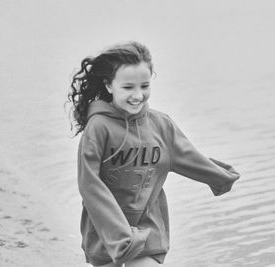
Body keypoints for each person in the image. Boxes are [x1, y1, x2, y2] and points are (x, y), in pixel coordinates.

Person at [67, 41, 240, 267]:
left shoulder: (160, 124)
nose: (138, 95)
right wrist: (119, 235)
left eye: (144, 86)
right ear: (109, 86)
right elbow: (89, 184)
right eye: (128, 87)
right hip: (105, 230)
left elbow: (184, 155)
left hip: (149, 225)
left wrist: (220, 177)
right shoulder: (98, 127)